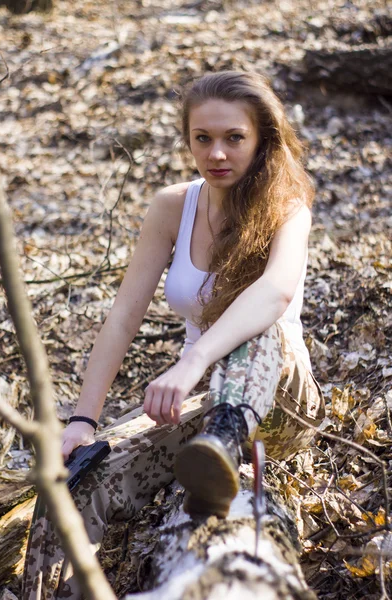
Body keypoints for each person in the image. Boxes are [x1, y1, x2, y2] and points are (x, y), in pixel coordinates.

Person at [22, 70, 324, 599]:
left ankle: (224, 447)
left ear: (262, 138)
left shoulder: (288, 204)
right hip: (197, 406)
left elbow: (275, 292)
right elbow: (122, 316)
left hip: (279, 397)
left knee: (257, 330)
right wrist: (83, 420)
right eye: (202, 138)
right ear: (186, 139)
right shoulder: (172, 207)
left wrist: (192, 360)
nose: (217, 153)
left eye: (234, 137)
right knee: (74, 486)